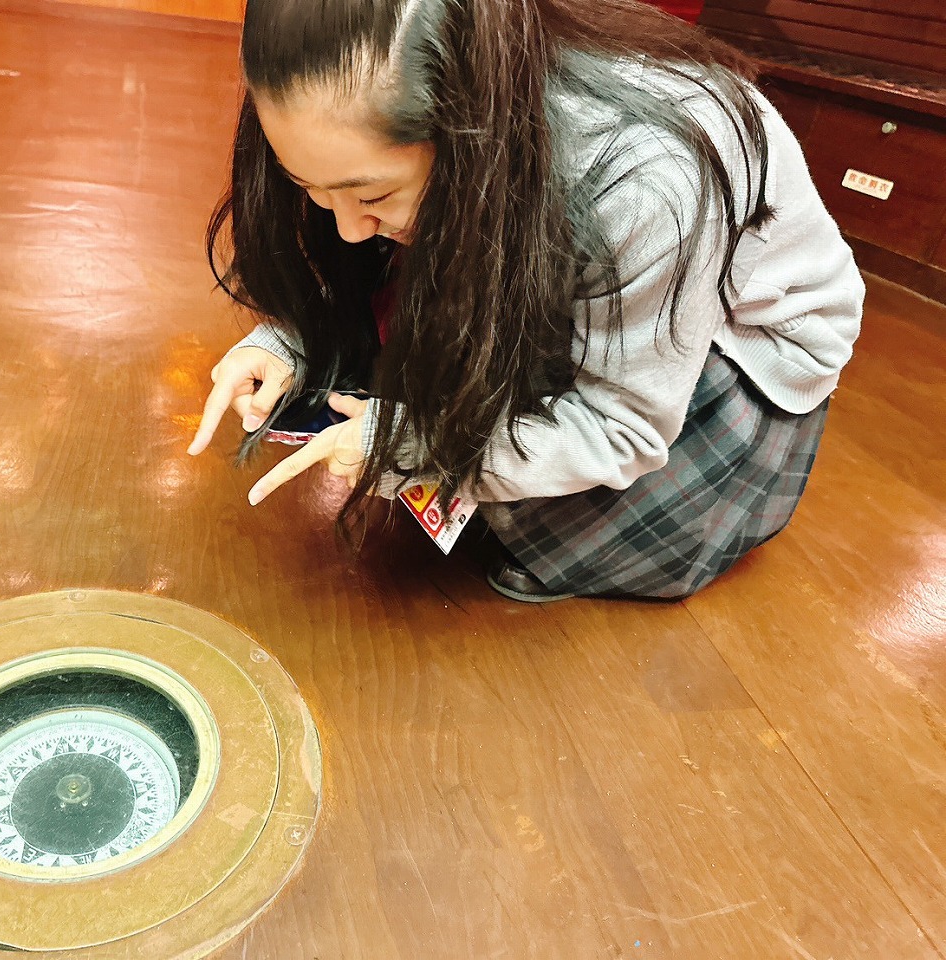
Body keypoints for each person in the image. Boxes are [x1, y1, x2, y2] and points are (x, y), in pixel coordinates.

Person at [186, 0, 863, 602]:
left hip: (740, 360)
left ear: (469, 130)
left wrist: (415, 445)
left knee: (526, 537)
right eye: (308, 187)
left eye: (371, 195)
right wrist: (292, 341)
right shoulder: (434, 135)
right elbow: (368, 265)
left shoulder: (645, 177)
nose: (347, 230)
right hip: (585, 257)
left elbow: (624, 428)